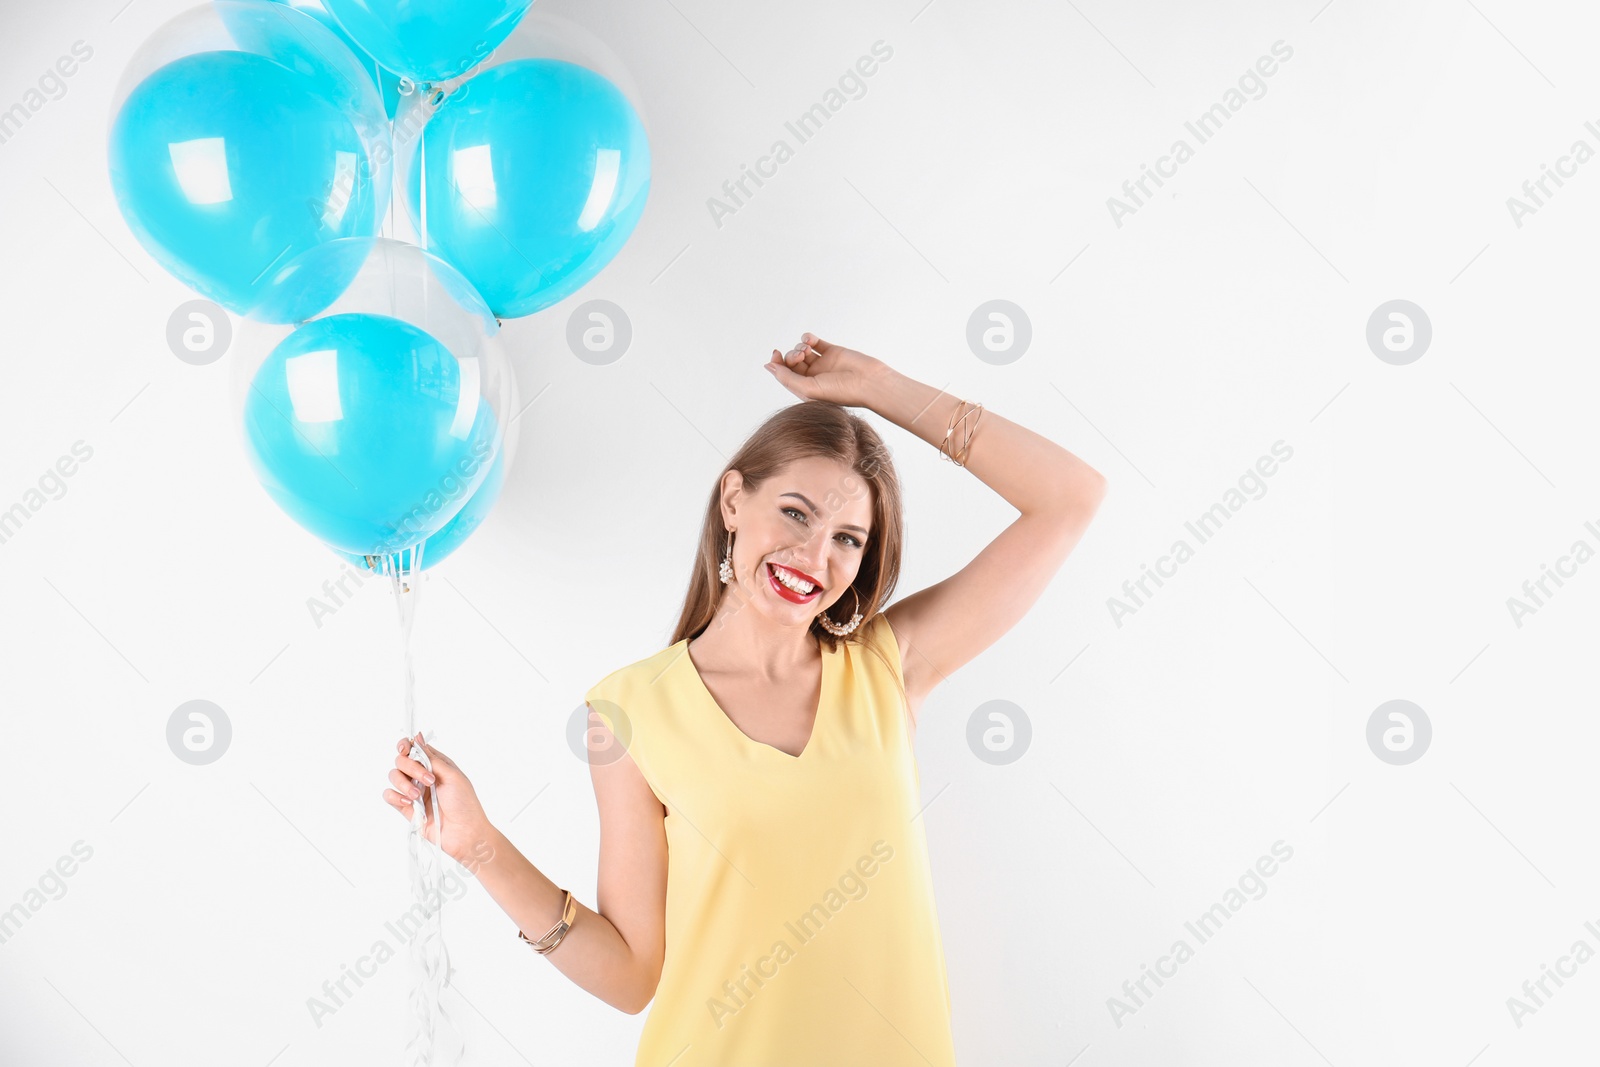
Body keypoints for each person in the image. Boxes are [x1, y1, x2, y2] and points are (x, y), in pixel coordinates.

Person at [381, 332, 1107, 1064]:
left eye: (848, 538)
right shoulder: (630, 712)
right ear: (734, 499)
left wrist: (880, 390)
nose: (814, 558)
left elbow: (1069, 498)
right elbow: (632, 975)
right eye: (795, 513)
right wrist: (479, 848)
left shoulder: (889, 670)